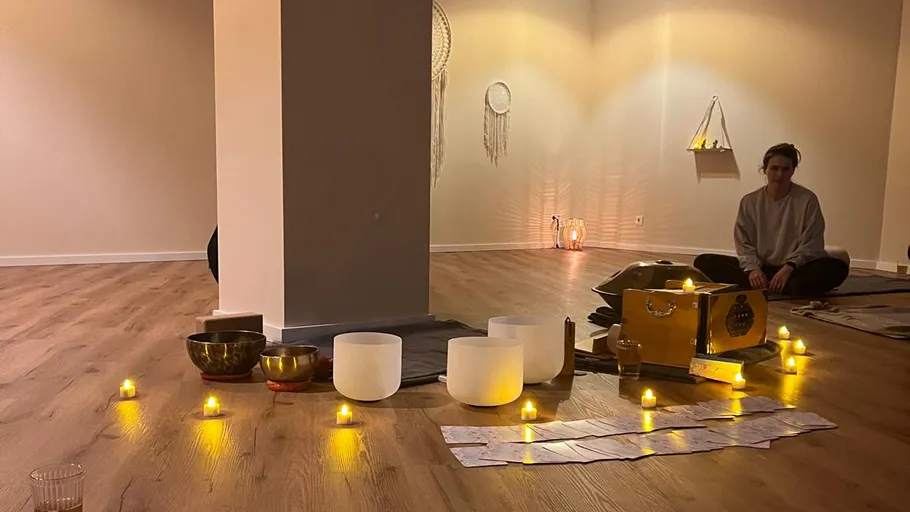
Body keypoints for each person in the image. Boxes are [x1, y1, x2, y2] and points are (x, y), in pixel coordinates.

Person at [694, 143, 849, 296]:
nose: (779, 175)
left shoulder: (808, 199)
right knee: (704, 261)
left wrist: (789, 267)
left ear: (793, 170)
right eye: (774, 168)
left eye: (785, 169)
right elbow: (743, 243)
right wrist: (753, 270)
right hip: (760, 267)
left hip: (795, 269)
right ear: (765, 170)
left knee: (837, 267)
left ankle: (771, 285)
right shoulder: (750, 201)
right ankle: (772, 285)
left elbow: (812, 243)